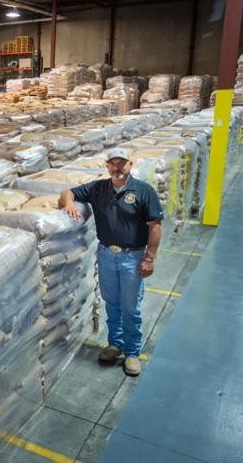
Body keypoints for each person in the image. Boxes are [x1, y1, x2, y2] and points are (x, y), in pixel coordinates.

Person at [58, 148, 163, 377]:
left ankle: (133, 353)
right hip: (106, 254)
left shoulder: (143, 191)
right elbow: (67, 191)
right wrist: (69, 203)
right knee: (112, 303)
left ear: (130, 165)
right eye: (112, 164)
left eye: (121, 163)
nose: (117, 168)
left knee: (130, 306)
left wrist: (149, 258)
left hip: (132, 257)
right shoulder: (98, 188)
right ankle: (115, 344)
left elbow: (155, 226)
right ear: (107, 166)